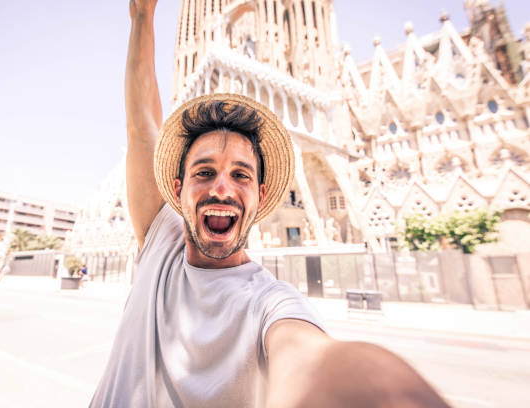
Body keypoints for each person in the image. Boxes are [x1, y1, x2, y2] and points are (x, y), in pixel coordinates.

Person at [90, 1, 450, 407]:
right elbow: (142, 127)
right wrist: (143, 18)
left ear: (262, 195)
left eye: (241, 174)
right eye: (204, 172)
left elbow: (309, 355)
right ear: (177, 190)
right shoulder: (161, 244)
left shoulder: (270, 303)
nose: (222, 189)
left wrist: (375, 386)